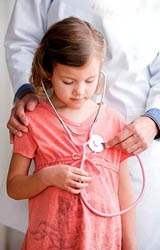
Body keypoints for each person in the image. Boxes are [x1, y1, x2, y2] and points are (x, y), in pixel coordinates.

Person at [4, 1, 160, 249]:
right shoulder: (35, 123)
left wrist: (155, 117)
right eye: (68, 81)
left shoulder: (112, 122)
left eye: (90, 80)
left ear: (100, 73)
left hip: (102, 239)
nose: (80, 90)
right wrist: (46, 177)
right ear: (48, 73)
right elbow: (14, 185)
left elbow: (123, 192)